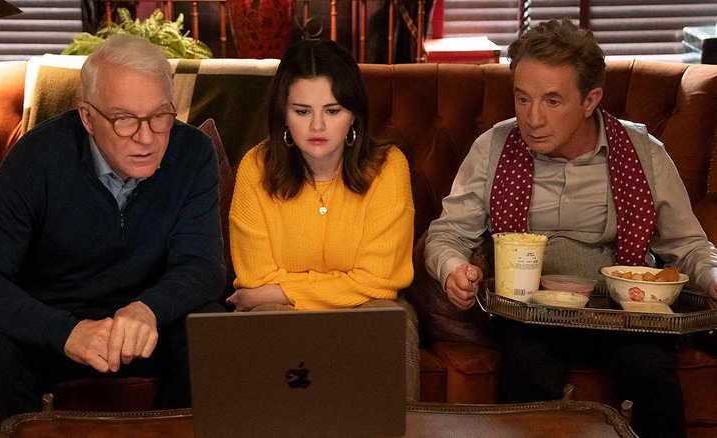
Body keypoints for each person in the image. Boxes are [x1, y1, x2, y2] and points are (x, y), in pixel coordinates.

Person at [424, 19, 717, 438]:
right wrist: (454, 268)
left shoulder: (643, 154)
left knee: (649, 369)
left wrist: (712, 277)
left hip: (621, 314)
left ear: (590, 99)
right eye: (522, 99)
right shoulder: (493, 147)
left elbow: (687, 246)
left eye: (553, 101)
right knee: (526, 363)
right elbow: (447, 235)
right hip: (529, 315)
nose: (533, 118)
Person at [0, 34, 226, 428]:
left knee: (210, 327)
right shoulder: (36, 158)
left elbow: (202, 267)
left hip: (147, 326)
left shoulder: (193, 153)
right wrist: (68, 332)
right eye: (124, 120)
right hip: (53, 330)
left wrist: (147, 309)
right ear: (88, 117)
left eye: (160, 116)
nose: (146, 137)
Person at [226, 39, 420, 400]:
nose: (317, 125)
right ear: (282, 113)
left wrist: (282, 289)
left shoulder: (388, 167)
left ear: (354, 116)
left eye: (332, 111)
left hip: (368, 308)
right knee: (268, 315)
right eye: (302, 111)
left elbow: (381, 282)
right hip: (278, 310)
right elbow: (255, 279)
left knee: (387, 319)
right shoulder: (255, 167)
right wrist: (280, 294)